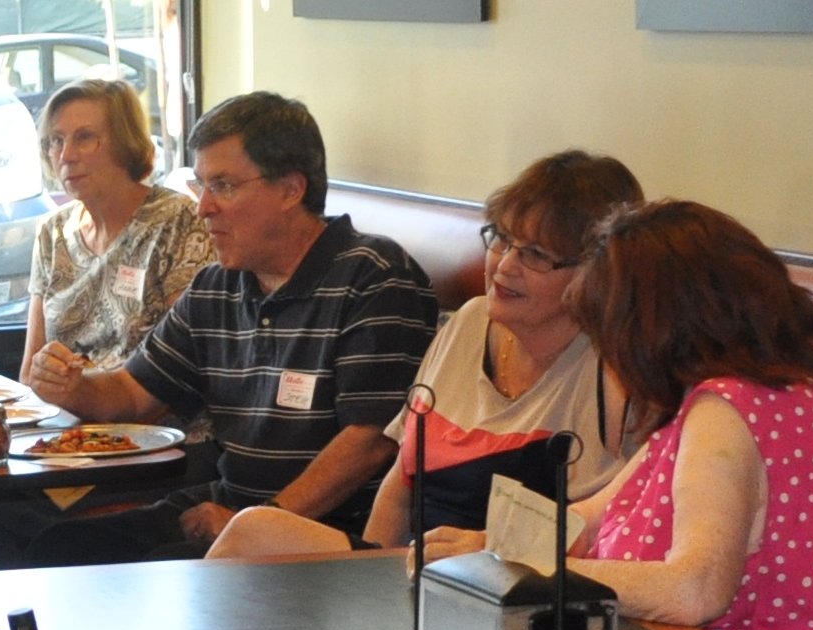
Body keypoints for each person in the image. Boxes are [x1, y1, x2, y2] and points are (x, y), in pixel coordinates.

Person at [19, 92, 437, 561]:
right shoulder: (218, 286)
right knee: (58, 549)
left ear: (291, 189)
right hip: (232, 505)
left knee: (148, 573)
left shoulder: (374, 276)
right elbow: (134, 395)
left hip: (323, 536)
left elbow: (372, 440)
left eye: (223, 186)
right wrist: (73, 387)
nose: (203, 208)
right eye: (201, 186)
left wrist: (260, 522)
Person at [524, 200, 813, 630]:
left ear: (650, 329)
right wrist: (487, 549)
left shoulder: (725, 411)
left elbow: (695, 591)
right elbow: (584, 521)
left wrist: (536, 573)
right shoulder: (800, 400)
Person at [213, 150, 644, 560]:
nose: (504, 266)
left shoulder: (613, 369)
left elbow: (603, 529)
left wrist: (480, 551)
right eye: (502, 239)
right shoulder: (470, 321)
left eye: (535, 255)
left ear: (594, 270)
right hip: (415, 569)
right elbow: (400, 487)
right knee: (254, 529)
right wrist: (368, 573)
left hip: (514, 584)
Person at [18, 78, 213, 377]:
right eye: (56, 140)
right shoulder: (53, 231)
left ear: (125, 143)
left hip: (148, 405)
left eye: (84, 137)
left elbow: (190, 362)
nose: (66, 155)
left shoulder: (177, 220)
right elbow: (31, 373)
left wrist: (91, 393)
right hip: (64, 405)